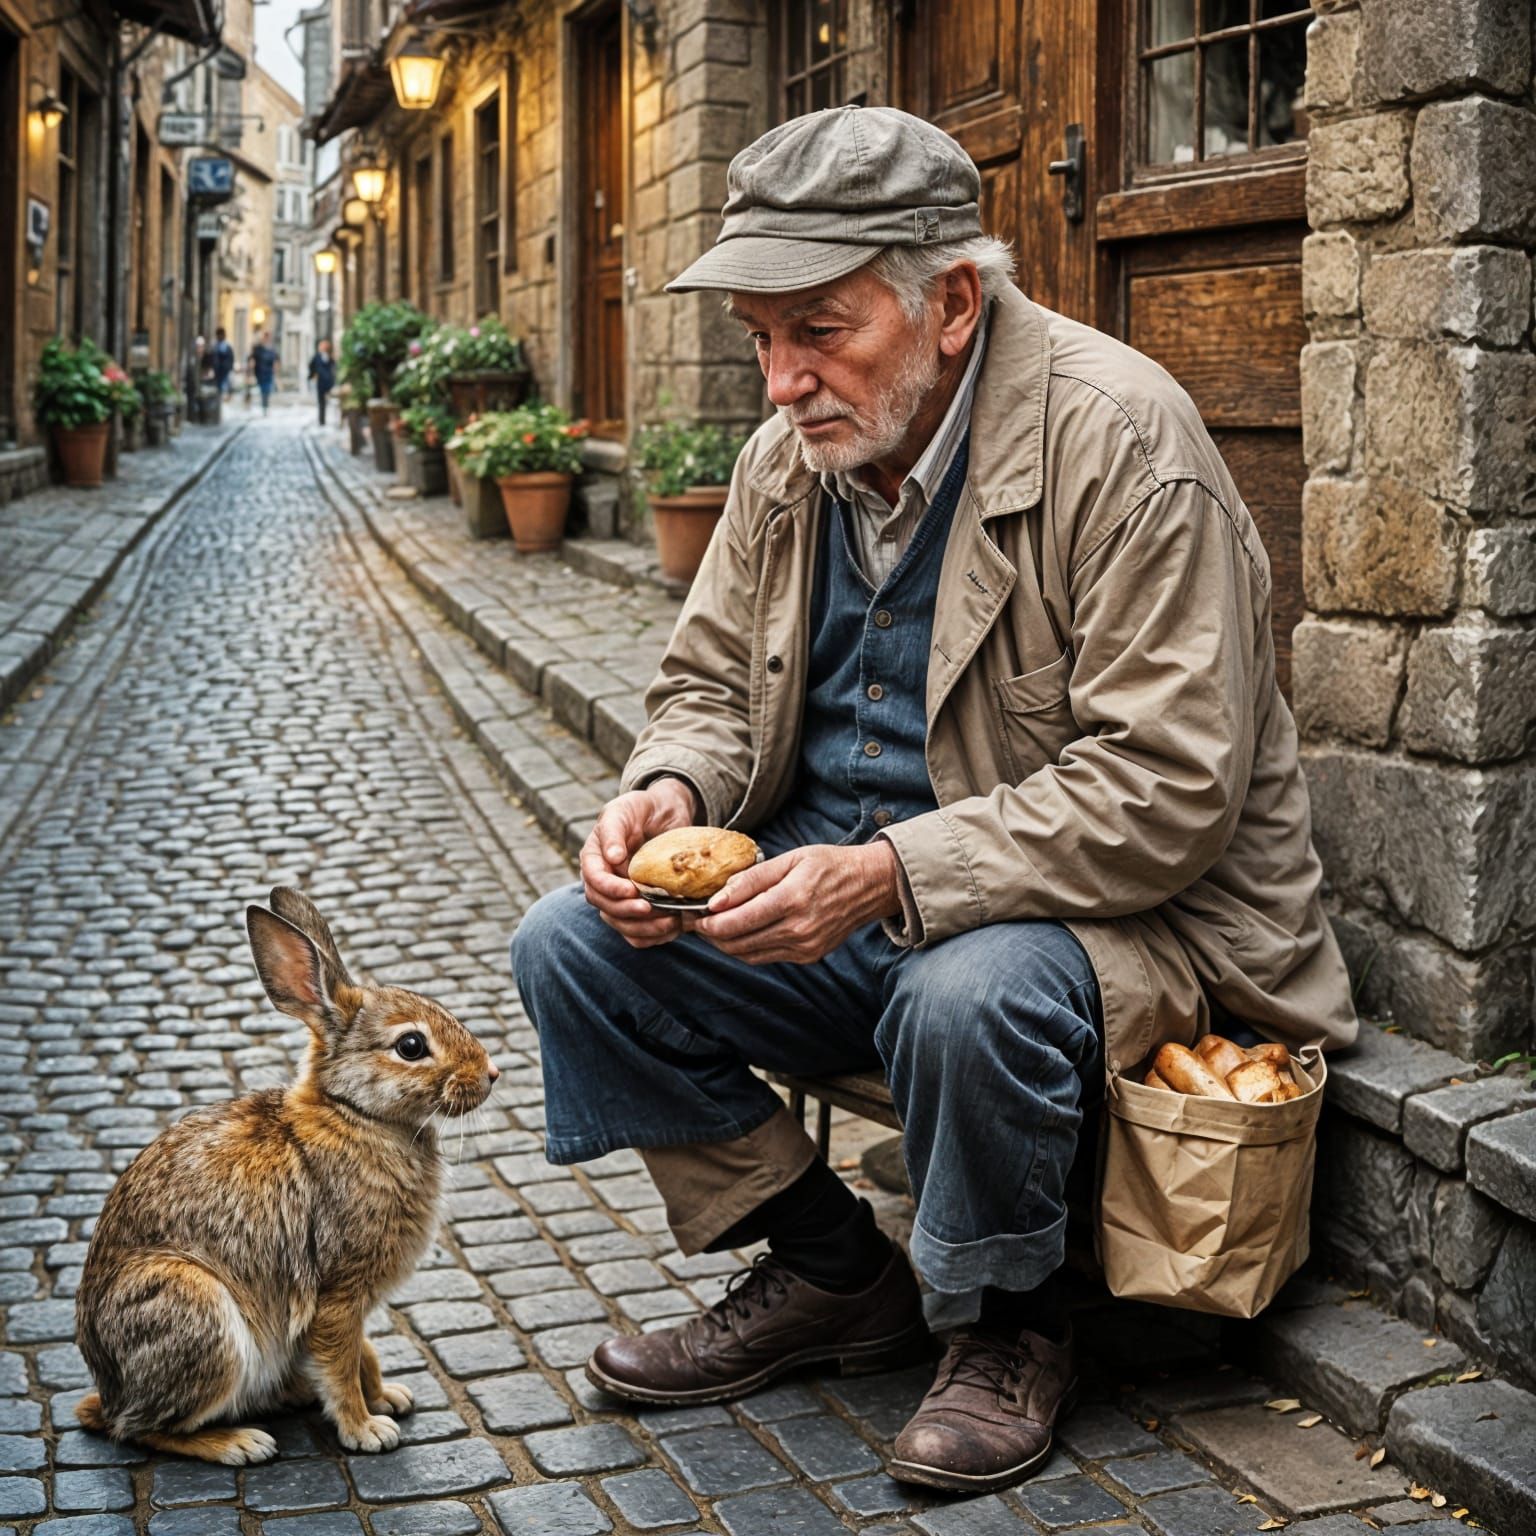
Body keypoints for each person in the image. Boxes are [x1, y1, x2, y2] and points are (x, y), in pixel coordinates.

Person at [511, 106, 1358, 1494]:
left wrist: (891, 873)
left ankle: (1010, 1324)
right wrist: (668, 788)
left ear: (951, 303)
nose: (782, 382)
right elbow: (711, 682)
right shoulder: (791, 456)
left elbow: (1168, 788)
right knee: (574, 945)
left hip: (1118, 923)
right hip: (854, 905)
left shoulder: (1122, 441)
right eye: (763, 340)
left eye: (819, 331)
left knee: (962, 994)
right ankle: (836, 1272)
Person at [248, 331, 278, 415]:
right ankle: (264, 406)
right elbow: (252, 358)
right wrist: (251, 368)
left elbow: (276, 360)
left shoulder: (272, 349)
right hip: (260, 372)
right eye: (265, 338)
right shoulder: (258, 349)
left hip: (268, 373)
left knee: (267, 390)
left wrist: (275, 368)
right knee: (263, 390)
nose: (266, 339)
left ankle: (265, 406)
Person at [308, 338, 336, 426]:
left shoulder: (330, 357)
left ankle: (328, 419)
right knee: (321, 402)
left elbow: (333, 366)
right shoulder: (316, 357)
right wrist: (313, 375)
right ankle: (322, 420)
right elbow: (311, 366)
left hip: (329, 381)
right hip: (320, 382)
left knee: (329, 401)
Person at [211, 328, 235, 400]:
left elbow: (231, 360)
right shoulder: (215, 347)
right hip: (218, 373)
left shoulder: (227, 347)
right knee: (219, 390)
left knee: (224, 389)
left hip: (225, 372)